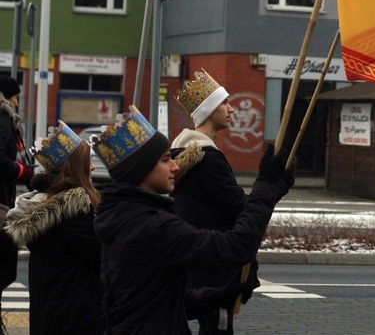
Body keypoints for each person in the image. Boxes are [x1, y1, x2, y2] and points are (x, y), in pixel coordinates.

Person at [92, 106, 294, 334]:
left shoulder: (123, 218)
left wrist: (214, 297)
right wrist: (266, 184)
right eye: (165, 160)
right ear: (143, 169)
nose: (175, 166)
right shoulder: (153, 226)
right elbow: (237, 247)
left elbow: (155, 302)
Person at [170, 69, 254, 334]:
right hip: (214, 264)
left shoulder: (177, 153)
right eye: (224, 103)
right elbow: (237, 207)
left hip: (190, 259)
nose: (231, 109)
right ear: (208, 110)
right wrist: (268, 192)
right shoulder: (209, 159)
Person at [4, 121, 102, 334]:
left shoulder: (46, 208)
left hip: (49, 318)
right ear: (74, 168)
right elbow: (106, 258)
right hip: (76, 320)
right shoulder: (73, 215)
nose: (92, 167)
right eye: (87, 162)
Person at [0, 76, 34, 325]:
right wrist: (24, 173)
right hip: (0, 204)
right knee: (4, 268)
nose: (17, 101)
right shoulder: (2, 118)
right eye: (16, 97)